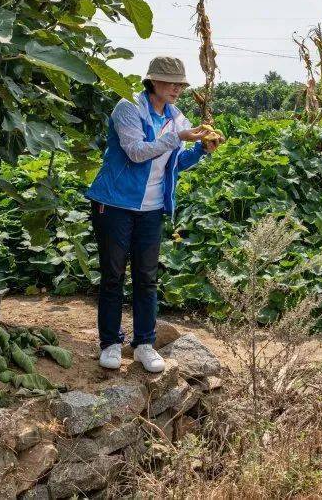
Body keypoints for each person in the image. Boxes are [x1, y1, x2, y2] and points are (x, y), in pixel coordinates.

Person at [86, 56, 222, 373]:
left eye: (180, 84)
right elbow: (136, 152)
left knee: (147, 278)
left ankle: (144, 344)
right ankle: (110, 343)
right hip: (115, 204)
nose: (177, 89)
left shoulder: (178, 119)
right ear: (154, 82)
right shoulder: (128, 109)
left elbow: (175, 163)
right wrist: (178, 138)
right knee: (113, 276)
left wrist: (201, 150)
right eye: (171, 82)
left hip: (151, 209)